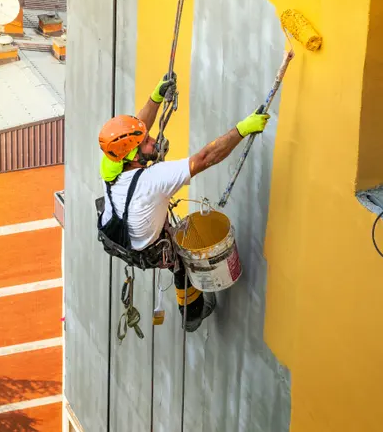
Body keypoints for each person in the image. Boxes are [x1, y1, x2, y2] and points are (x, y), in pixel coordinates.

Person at [97, 74, 270, 332]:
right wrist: (242, 129)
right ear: (133, 158)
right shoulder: (154, 179)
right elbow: (206, 158)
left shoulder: (111, 163)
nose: (154, 141)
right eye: (147, 143)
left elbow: (137, 131)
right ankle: (192, 314)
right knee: (181, 262)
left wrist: (155, 98)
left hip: (113, 235)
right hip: (145, 248)